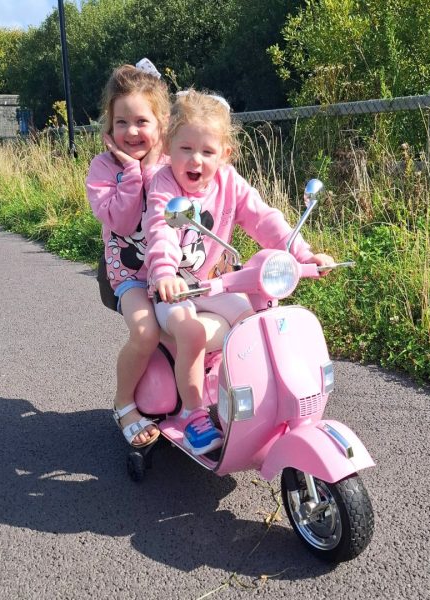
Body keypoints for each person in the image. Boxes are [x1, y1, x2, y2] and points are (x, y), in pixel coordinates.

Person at [143, 89, 335, 456]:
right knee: (192, 331)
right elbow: (160, 229)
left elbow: (264, 219)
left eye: (207, 152)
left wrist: (304, 253)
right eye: (185, 149)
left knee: (252, 325)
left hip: (214, 285)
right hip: (174, 292)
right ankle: (194, 413)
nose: (195, 159)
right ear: (168, 147)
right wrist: (165, 272)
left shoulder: (229, 182)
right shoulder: (164, 184)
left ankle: (240, 403)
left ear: (225, 154)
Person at [86, 59, 170, 448]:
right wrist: (133, 171)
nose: (131, 131)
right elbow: (120, 221)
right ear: (109, 126)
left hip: (176, 268)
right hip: (129, 275)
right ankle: (124, 403)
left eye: (141, 122)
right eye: (122, 123)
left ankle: (193, 401)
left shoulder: (173, 163)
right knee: (146, 330)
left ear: (161, 124)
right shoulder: (103, 170)